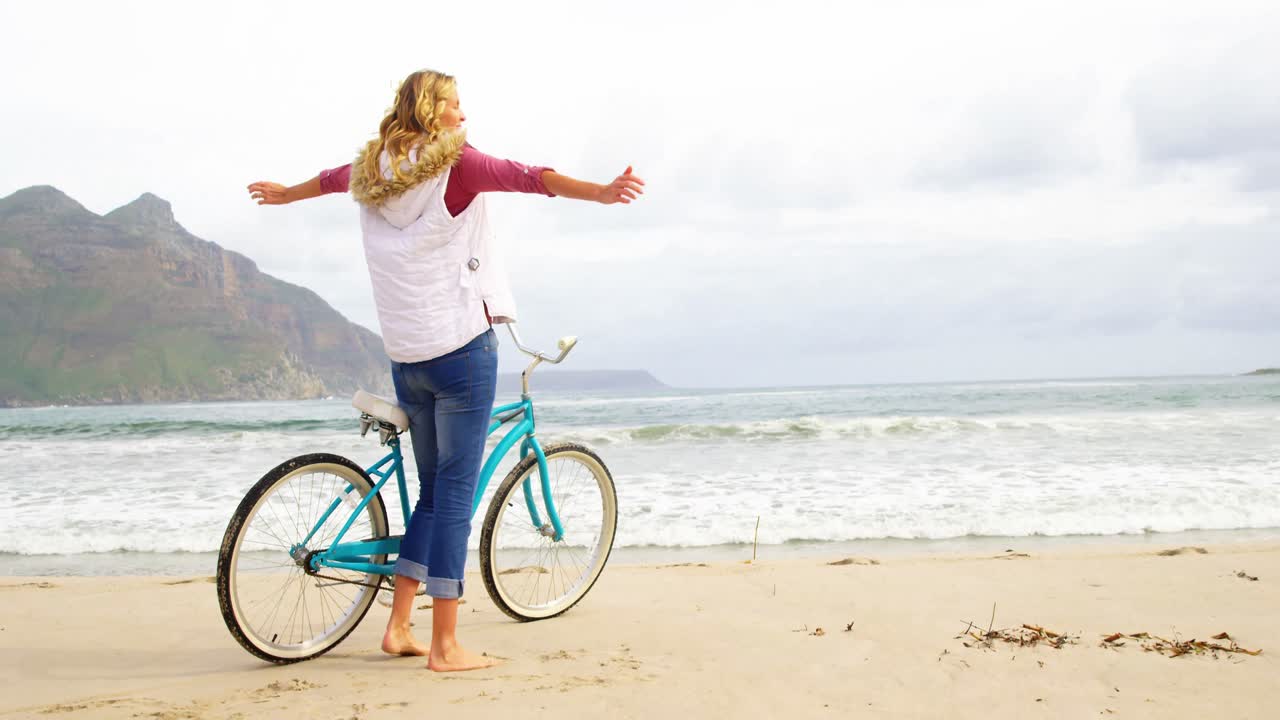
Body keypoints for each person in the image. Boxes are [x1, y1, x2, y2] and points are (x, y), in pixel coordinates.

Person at [247, 69, 643, 672]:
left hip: (407, 357)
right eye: (455, 105)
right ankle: (446, 646)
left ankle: (399, 627)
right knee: (455, 496)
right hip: (460, 350)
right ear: (434, 113)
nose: (463, 114)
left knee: (433, 495)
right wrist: (602, 193)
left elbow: (329, 180)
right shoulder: (458, 164)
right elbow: (531, 177)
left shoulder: (373, 169)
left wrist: (285, 196)